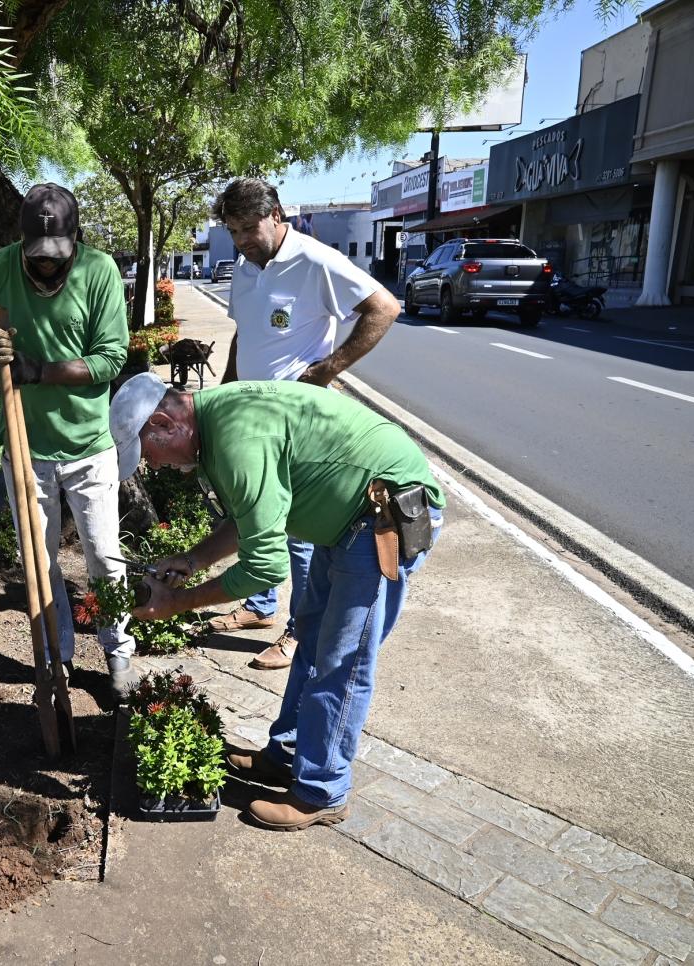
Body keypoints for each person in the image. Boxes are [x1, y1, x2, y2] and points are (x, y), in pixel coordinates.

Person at [109, 371, 444, 830]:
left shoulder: (237, 441)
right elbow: (251, 516)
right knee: (309, 637)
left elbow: (266, 567)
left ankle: (322, 792)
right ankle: (286, 756)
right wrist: (193, 558)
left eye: (149, 453)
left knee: (341, 663)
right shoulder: (213, 427)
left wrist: (178, 603)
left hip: (379, 518)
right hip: (346, 518)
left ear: (167, 423)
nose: (155, 465)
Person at [209, 177, 402, 672]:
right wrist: (226, 389)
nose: (242, 240)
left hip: (296, 426)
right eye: (233, 231)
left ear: (276, 214)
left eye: (249, 228)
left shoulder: (314, 260)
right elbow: (243, 333)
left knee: (293, 529)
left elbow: (385, 307)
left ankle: (299, 630)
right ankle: (260, 607)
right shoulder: (246, 268)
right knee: (254, 513)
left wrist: (327, 369)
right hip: (249, 419)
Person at [0, 183, 135, 699]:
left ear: (75, 239)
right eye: (37, 256)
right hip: (26, 450)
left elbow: (109, 359)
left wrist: (38, 370)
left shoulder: (99, 272)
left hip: (90, 445)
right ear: (21, 240)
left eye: (57, 258)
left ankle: (118, 653)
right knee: (41, 560)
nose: (47, 266)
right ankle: (57, 657)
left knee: (103, 555)